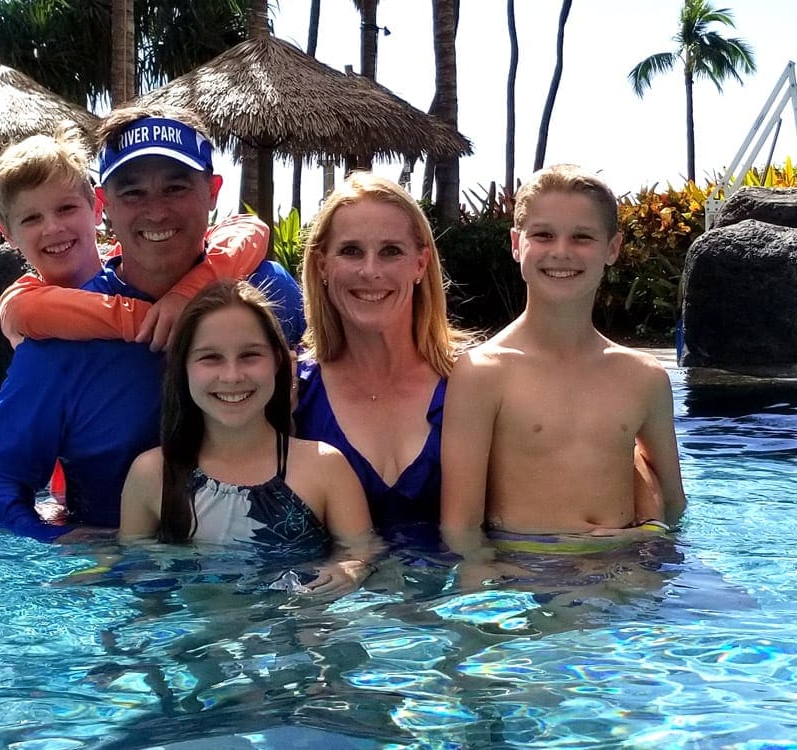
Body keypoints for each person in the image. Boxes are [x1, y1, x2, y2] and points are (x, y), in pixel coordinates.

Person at [0, 105, 304, 543]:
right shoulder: (60, 341)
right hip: (130, 582)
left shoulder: (270, 291)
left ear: (213, 191)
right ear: (104, 204)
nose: (156, 212)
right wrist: (61, 541)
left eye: (176, 187)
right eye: (133, 193)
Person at [440, 164, 687, 555]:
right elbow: (460, 527)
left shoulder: (644, 378)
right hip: (526, 572)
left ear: (613, 248)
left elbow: (674, 506)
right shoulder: (483, 373)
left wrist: (644, 541)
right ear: (516, 244)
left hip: (622, 569)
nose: (561, 252)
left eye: (582, 237)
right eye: (543, 235)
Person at [121, 280, 377, 595]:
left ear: (279, 362)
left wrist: (348, 569)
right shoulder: (152, 475)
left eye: (250, 355)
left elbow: (362, 554)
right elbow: (138, 582)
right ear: (182, 369)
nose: (231, 376)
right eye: (210, 358)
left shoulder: (324, 468)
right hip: (195, 636)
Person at [293, 172, 474, 541]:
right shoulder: (292, 390)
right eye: (351, 251)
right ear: (322, 265)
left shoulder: (472, 384)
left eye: (391, 251)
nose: (370, 271)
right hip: (328, 597)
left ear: (420, 264)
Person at [0, 123, 268, 351]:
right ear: (7, 234)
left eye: (66, 208)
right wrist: (153, 320)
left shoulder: (129, 261)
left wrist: (188, 293)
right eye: (31, 219)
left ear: (97, 208)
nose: (52, 228)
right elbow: (23, 309)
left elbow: (248, 229)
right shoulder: (24, 303)